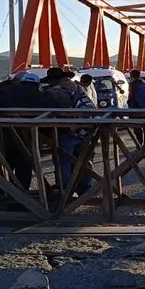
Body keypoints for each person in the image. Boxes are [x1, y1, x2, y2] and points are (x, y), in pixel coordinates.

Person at [0, 72, 63, 193]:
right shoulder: (41, 95)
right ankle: (22, 193)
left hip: (4, 136)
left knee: (5, 163)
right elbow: (57, 110)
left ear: (22, 81)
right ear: (37, 84)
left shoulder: (6, 91)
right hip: (29, 138)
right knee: (24, 166)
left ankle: (5, 191)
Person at [43, 66, 95, 196]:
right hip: (85, 128)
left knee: (64, 159)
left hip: (68, 130)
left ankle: (66, 188)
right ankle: (85, 185)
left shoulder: (55, 91)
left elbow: (53, 112)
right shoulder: (78, 87)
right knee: (84, 157)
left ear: (53, 79)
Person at [127, 69, 145, 145]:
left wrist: (129, 103)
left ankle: (139, 145)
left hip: (135, 110)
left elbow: (132, 97)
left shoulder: (132, 84)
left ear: (132, 76)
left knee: (137, 128)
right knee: (144, 127)